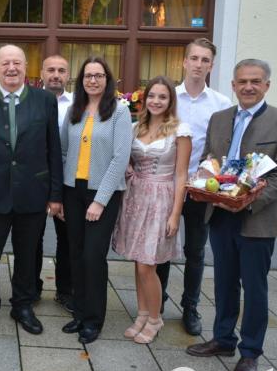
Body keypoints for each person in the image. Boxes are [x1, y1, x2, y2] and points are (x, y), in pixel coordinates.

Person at [186, 59, 277, 371]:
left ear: (267, 85)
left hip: (257, 218)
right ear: (233, 86)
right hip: (220, 214)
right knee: (223, 282)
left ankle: (250, 352)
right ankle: (223, 339)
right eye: (242, 82)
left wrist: (247, 202)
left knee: (254, 286)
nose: (248, 87)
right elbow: (210, 158)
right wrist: (204, 181)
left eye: (256, 81)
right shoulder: (220, 118)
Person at [0, 44, 63, 337]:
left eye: (17, 63)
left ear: (26, 68)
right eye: (5, 63)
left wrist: (55, 195)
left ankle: (22, 304)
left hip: (32, 191)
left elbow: (53, 148)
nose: (12, 68)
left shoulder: (45, 100)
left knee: (27, 254)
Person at [155, 38, 231, 335]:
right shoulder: (169, 97)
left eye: (205, 60)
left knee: (196, 251)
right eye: (194, 58)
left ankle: (190, 307)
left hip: (200, 189)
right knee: (162, 246)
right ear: (184, 62)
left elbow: (222, 147)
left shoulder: (221, 104)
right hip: (167, 185)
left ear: (211, 65)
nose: (199, 64)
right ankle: (157, 301)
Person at [112, 76, 191, 344]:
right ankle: (142, 313)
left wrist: (175, 214)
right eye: (152, 96)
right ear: (145, 100)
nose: (156, 101)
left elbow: (181, 176)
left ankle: (155, 319)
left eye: (162, 97)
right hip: (136, 197)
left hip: (161, 199)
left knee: (148, 265)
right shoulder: (135, 128)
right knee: (138, 261)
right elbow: (124, 158)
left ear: (170, 101)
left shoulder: (180, 131)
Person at [59, 57, 131, 344]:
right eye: (88, 75)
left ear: (107, 79)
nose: (93, 80)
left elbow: (119, 158)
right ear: (81, 80)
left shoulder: (119, 113)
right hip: (72, 190)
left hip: (104, 193)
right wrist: (62, 194)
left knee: (93, 256)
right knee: (75, 254)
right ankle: (79, 312)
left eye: (98, 75)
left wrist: (100, 200)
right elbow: (64, 151)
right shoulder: (73, 111)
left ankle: (93, 319)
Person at [35, 54, 74, 312]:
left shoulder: (77, 105)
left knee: (67, 238)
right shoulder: (32, 102)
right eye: (51, 70)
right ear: (41, 74)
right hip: (36, 179)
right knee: (33, 237)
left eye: (61, 70)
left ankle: (65, 290)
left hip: (67, 180)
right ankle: (32, 286)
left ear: (68, 75)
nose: (56, 75)